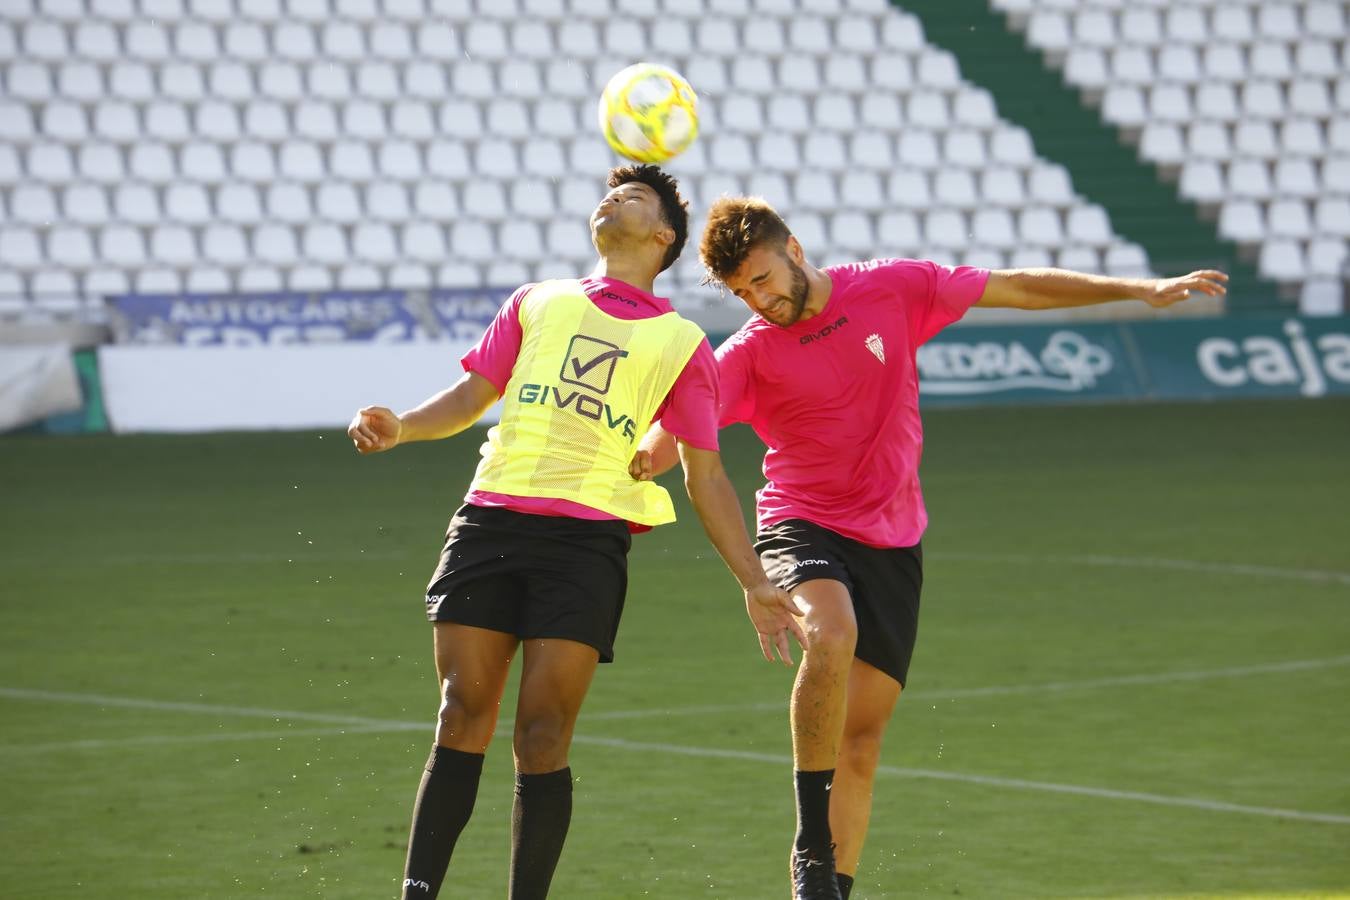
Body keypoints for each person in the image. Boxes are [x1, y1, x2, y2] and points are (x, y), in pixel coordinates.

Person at [633, 195, 1228, 900]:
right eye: (741, 293)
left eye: (763, 279)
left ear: (794, 248)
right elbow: (676, 437)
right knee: (830, 633)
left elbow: (1016, 285)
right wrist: (639, 460)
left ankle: (825, 893)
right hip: (802, 522)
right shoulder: (748, 354)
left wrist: (1137, 289)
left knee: (861, 742)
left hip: (894, 539)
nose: (759, 301)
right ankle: (810, 849)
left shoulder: (891, 287)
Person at [347, 169, 803, 900]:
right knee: (461, 713)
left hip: (584, 549)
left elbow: (705, 473)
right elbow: (471, 397)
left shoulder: (682, 343)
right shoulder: (537, 300)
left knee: (541, 736)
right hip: (489, 521)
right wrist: (402, 426)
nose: (611, 199)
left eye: (634, 198)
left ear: (663, 238)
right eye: (609, 193)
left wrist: (754, 578)